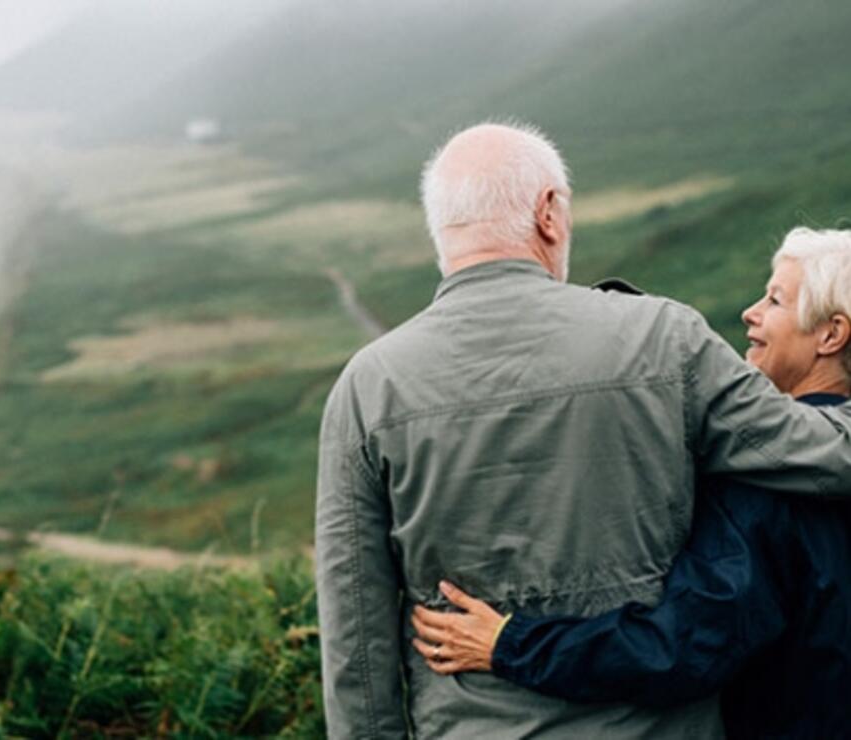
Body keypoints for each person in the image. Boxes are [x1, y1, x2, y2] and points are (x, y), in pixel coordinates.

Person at [314, 121, 851, 738]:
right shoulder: (664, 340)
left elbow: (356, 632)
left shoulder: (366, 387)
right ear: (548, 213)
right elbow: (829, 453)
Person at [409, 227, 851, 738]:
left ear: (831, 334)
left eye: (774, 300)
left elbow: (683, 649)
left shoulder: (765, 482)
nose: (750, 313)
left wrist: (510, 644)